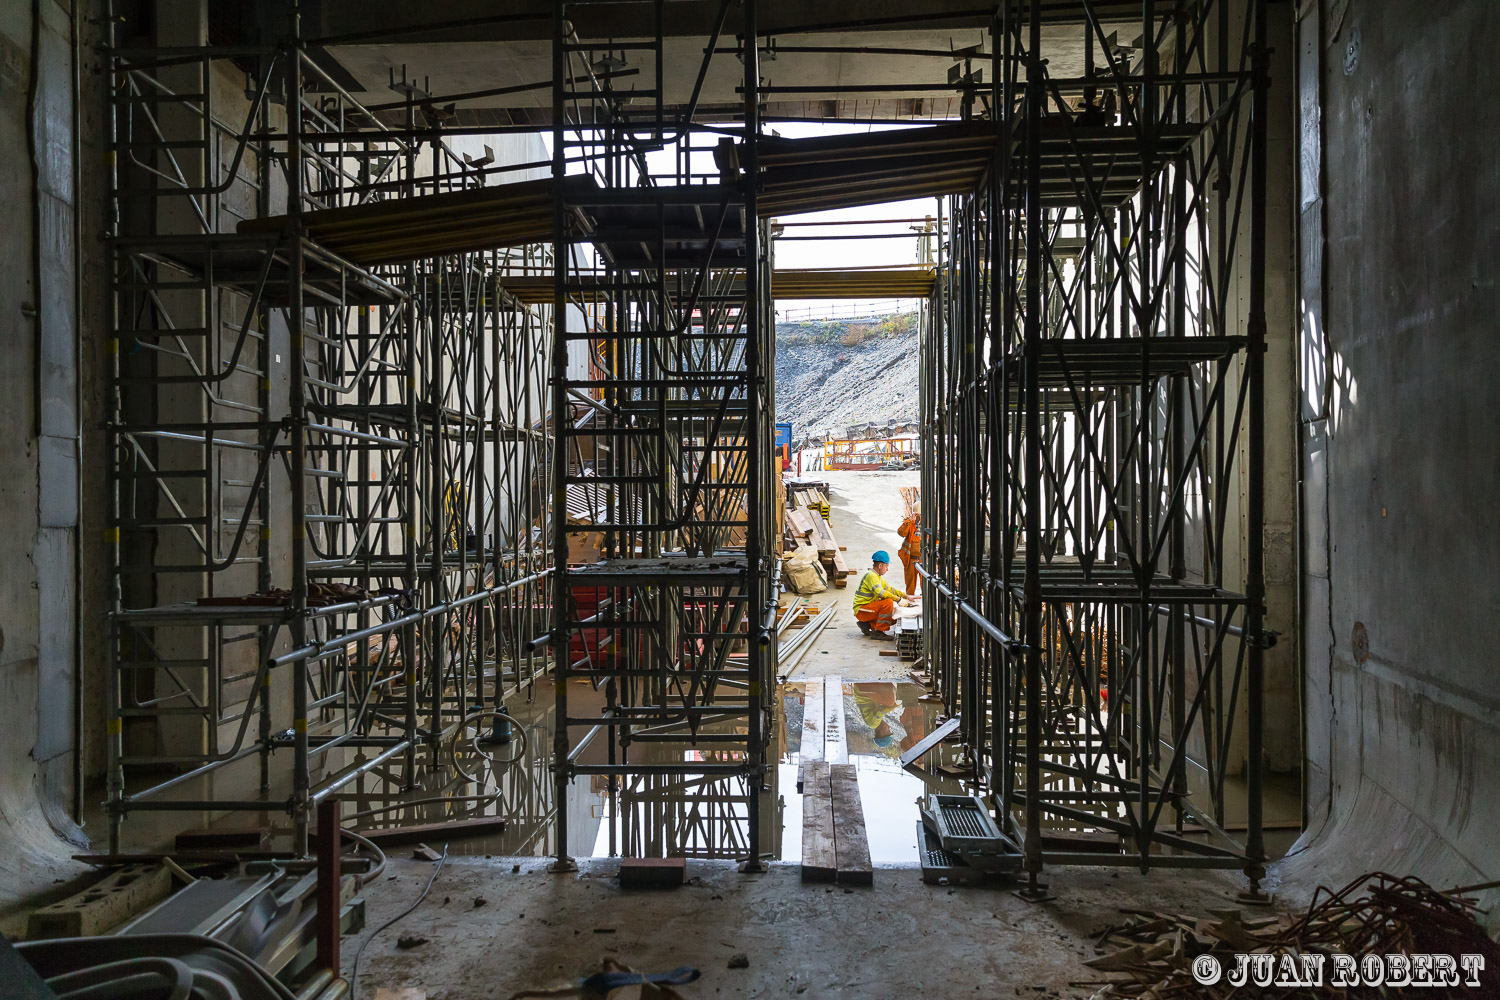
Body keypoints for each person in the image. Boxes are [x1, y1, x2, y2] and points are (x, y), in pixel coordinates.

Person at [852, 550, 914, 640]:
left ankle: (866, 624)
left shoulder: (878, 577)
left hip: (867, 609)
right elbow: (880, 593)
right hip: (862, 610)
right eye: (886, 566)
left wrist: (906, 596)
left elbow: (890, 590)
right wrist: (898, 600)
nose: (887, 569)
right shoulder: (871, 576)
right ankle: (878, 632)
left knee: (893, 618)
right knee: (887, 603)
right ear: (880, 566)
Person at [896, 509, 921, 596]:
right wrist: (910, 521)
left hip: (924, 559)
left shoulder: (928, 523)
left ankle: (926, 599)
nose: (918, 516)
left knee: (926, 583)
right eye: (916, 514)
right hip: (911, 559)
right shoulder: (909, 524)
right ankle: (910, 598)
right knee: (910, 582)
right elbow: (901, 533)